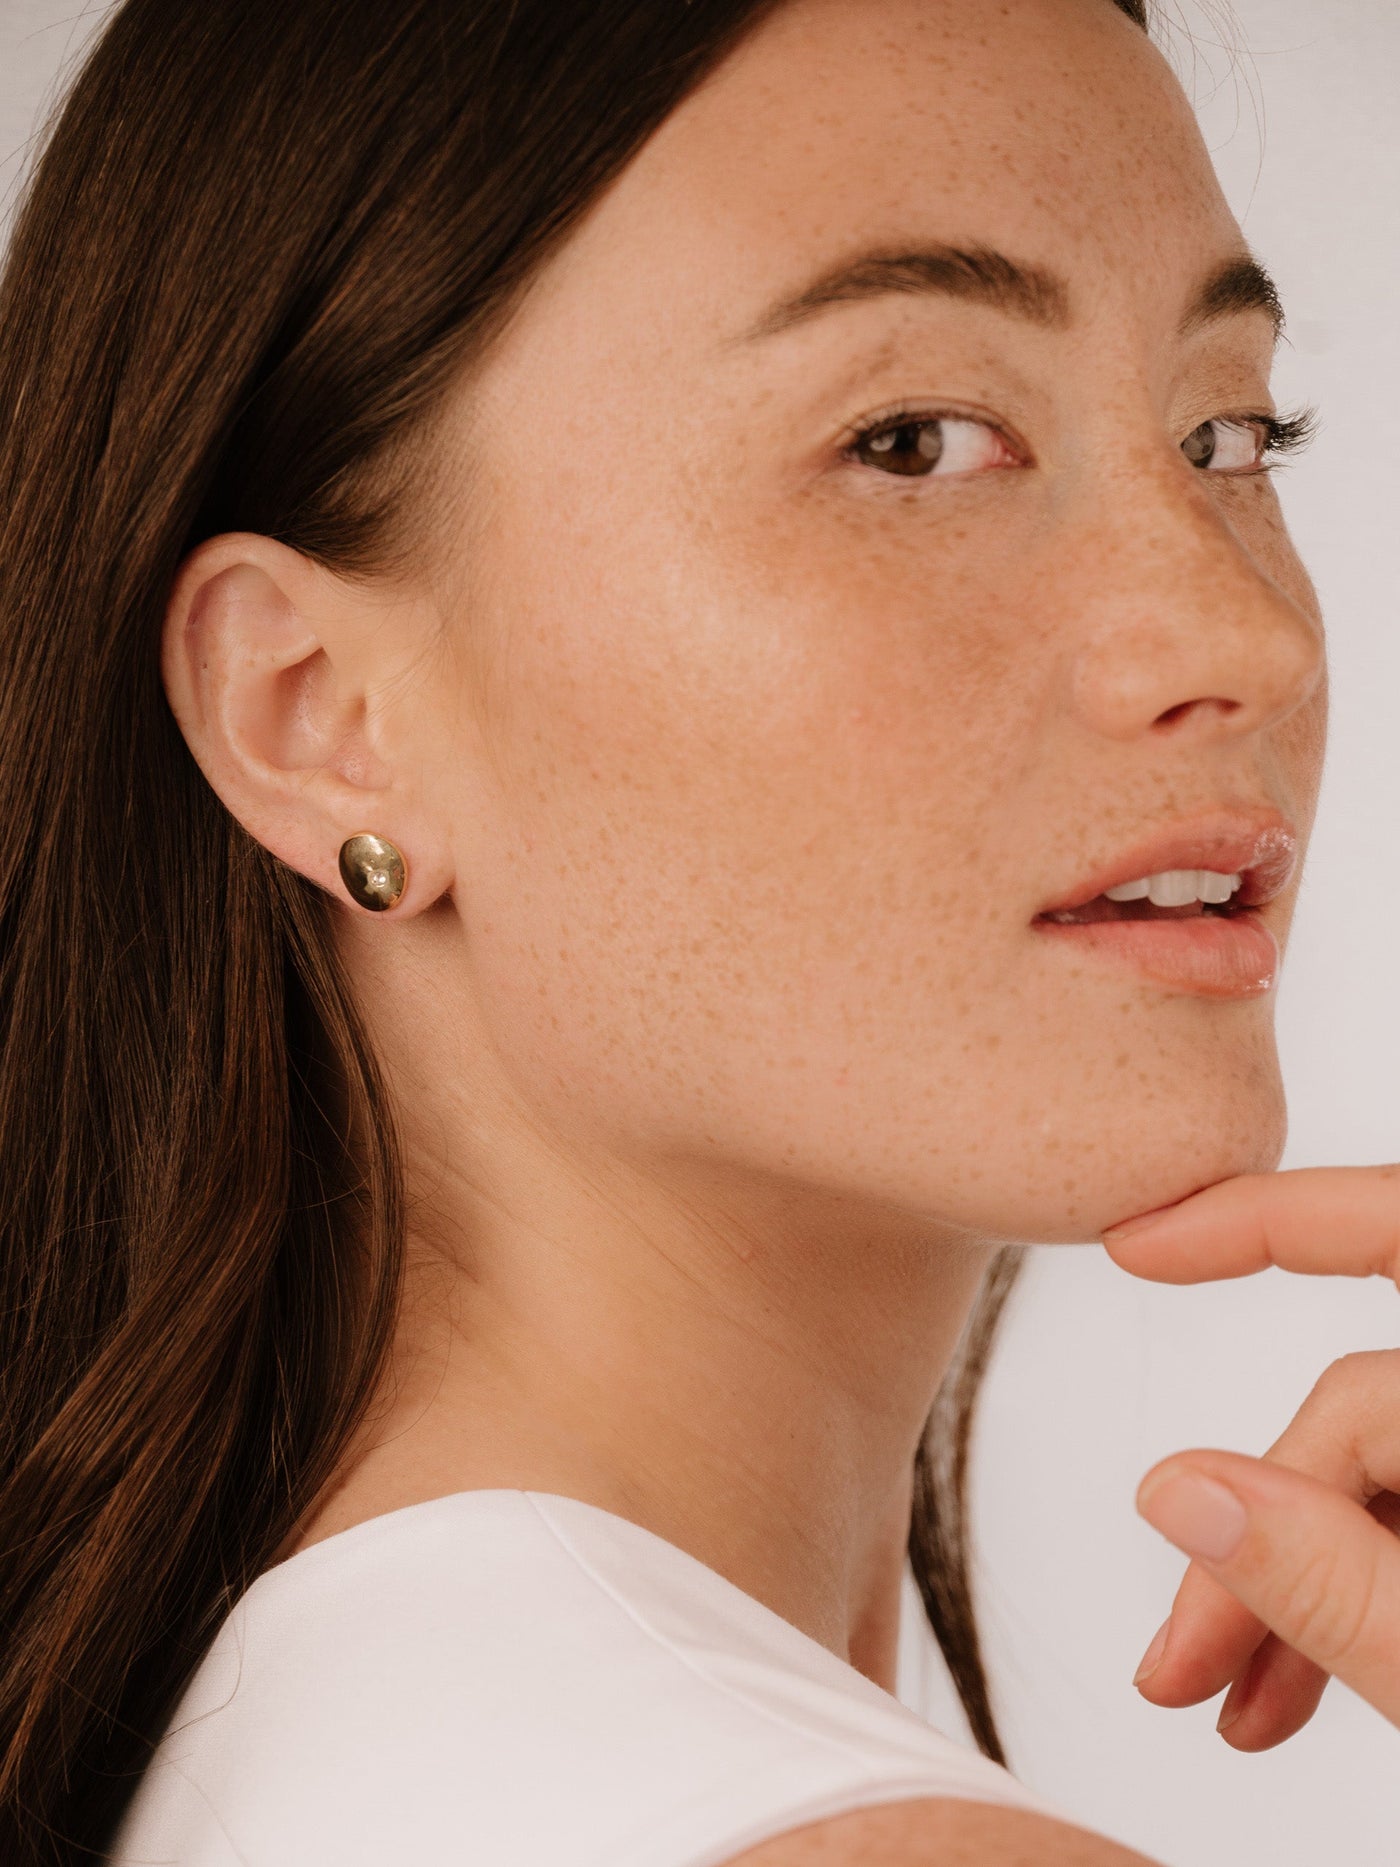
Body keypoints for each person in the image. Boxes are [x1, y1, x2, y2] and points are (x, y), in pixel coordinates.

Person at [0, 0, 1395, 1861]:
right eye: (912, 439)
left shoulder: (258, 1746)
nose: (1247, 641)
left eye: (1230, 429)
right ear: (316, 712)